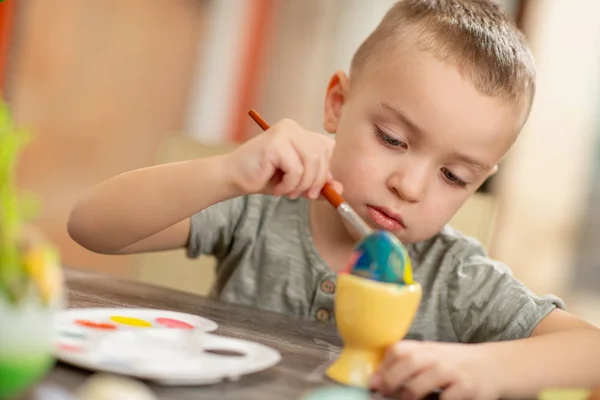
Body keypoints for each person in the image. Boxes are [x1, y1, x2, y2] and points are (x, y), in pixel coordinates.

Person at [67, 0, 600, 398]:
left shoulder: (457, 281)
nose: (410, 187)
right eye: (392, 140)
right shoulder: (262, 205)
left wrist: (489, 368)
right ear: (337, 106)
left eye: (455, 176)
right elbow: (91, 226)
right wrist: (227, 173)